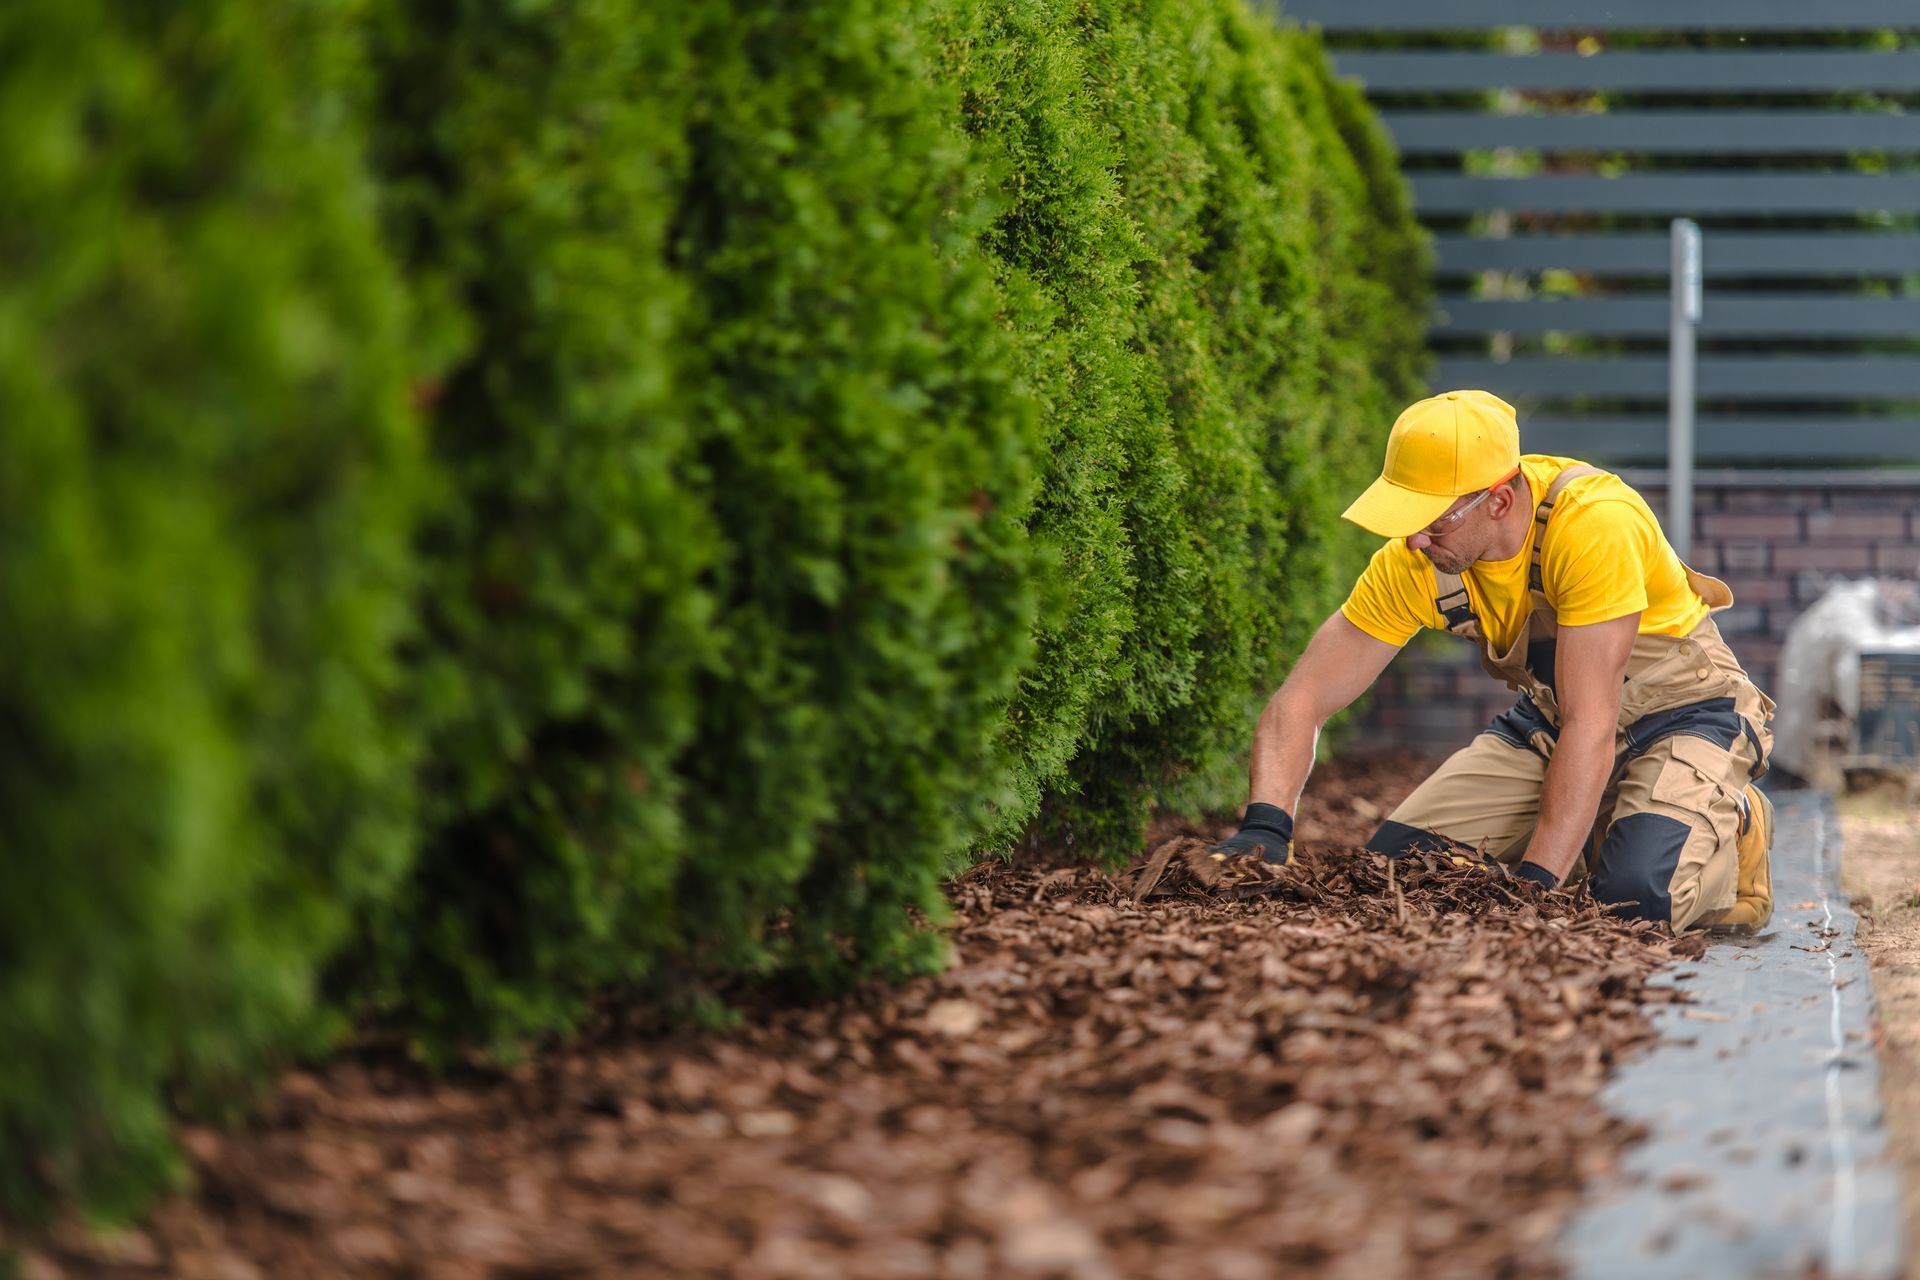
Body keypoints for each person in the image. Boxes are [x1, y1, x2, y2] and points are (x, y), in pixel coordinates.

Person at [1213, 390, 1775, 932]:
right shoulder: (1417, 558)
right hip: (1556, 722)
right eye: (1405, 514)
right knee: (1399, 874)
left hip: (1687, 715)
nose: (1413, 540)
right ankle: (1621, 826)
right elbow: (1302, 698)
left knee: (1632, 903)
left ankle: (1736, 824)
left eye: (1433, 519)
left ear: (1500, 501)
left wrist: (1534, 890)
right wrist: (1266, 826)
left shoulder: (1594, 524)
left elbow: (1594, 722)